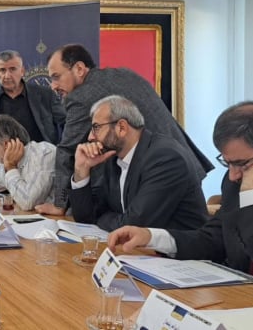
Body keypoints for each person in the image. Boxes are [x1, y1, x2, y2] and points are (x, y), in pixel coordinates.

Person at [41, 43, 214, 215]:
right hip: (184, 163)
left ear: (79, 68)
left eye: (56, 77)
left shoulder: (81, 96)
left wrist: (59, 204)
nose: (53, 86)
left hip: (154, 175)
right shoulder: (125, 74)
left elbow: (67, 150)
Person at [108, 101, 253, 274]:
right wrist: (151, 237)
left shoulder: (245, 187)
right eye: (227, 163)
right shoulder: (233, 184)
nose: (232, 175)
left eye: (242, 164)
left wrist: (249, 197)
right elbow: (213, 241)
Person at [69, 95, 207, 231]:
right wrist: (81, 169)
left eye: (96, 127)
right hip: (137, 251)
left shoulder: (165, 157)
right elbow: (86, 217)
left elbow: (134, 225)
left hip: (174, 252)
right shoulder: (113, 158)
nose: (90, 137)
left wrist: (100, 218)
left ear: (121, 127)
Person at [0, 49, 65, 144]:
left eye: (12, 69)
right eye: (2, 70)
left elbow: (66, 122)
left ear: (22, 71)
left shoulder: (45, 94)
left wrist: (63, 150)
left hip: (39, 157)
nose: (7, 76)